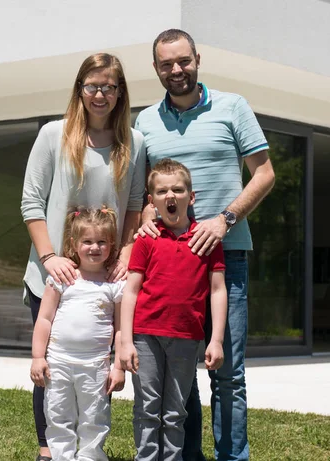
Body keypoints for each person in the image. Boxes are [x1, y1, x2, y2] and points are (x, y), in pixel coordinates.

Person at [134, 29, 275, 461]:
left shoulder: (233, 107)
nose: (176, 70)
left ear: (198, 59)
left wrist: (224, 220)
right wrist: (145, 219)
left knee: (228, 373)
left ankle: (233, 457)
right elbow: (144, 193)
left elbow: (265, 174)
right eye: (166, 64)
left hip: (224, 259)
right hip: (168, 265)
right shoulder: (145, 121)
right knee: (180, 375)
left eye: (183, 61)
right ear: (156, 68)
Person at [21, 52, 146, 461]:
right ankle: (49, 452)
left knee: (96, 368)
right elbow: (31, 203)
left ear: (120, 92)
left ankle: (92, 452)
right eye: (92, 86)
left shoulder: (135, 141)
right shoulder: (52, 135)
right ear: (79, 89)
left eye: (109, 87)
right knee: (52, 371)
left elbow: (135, 204)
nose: (100, 94)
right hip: (55, 274)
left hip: (106, 278)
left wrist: (126, 252)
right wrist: (50, 256)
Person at [119, 159, 228, 461]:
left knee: (175, 411)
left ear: (190, 197)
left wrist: (215, 340)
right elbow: (131, 290)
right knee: (147, 409)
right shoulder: (146, 239)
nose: (170, 196)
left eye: (178, 190)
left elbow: (218, 291)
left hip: (185, 337)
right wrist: (125, 341)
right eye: (162, 191)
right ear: (151, 200)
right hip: (145, 337)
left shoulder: (206, 240)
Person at [30, 206, 126, 461]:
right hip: (59, 362)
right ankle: (62, 457)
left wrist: (118, 367)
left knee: (94, 418)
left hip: (96, 366)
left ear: (111, 244)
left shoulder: (114, 284)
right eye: (87, 241)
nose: (94, 247)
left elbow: (120, 329)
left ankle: (90, 457)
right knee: (58, 415)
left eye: (101, 242)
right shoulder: (63, 278)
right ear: (74, 244)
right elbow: (44, 319)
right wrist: (38, 357)